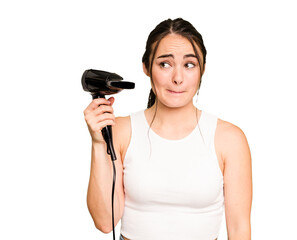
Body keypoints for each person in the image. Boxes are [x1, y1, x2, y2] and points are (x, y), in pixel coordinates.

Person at [83, 18, 252, 240]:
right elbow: (105, 222)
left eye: (189, 64)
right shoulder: (122, 131)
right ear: (146, 67)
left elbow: (240, 229)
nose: (178, 78)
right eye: (165, 64)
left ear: (202, 69)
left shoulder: (229, 139)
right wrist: (98, 143)